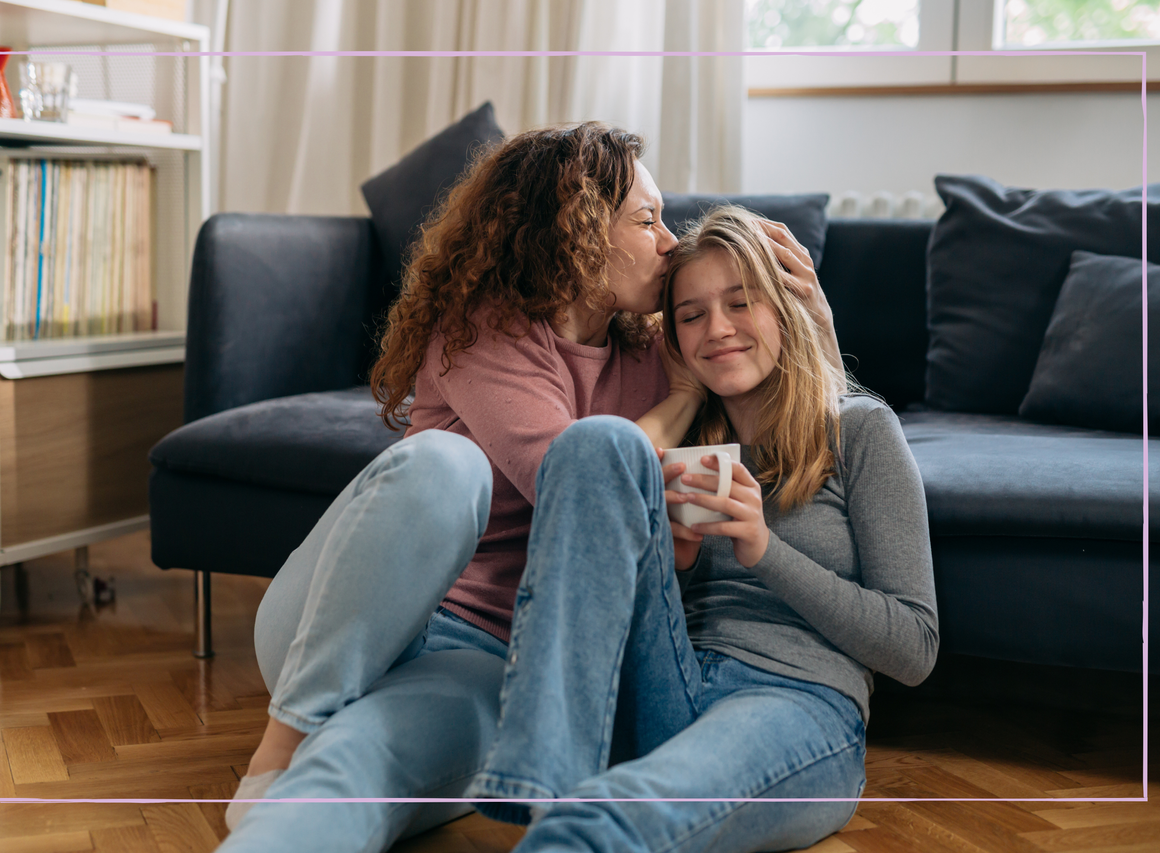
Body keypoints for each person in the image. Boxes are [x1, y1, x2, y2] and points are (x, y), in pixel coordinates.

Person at [217, 124, 841, 852]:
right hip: (349, 616)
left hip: (483, 658)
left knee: (360, 763)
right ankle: (284, 735)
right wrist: (675, 406)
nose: (669, 241)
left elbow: (787, 409)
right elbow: (576, 480)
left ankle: (297, 791)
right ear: (574, 231)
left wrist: (816, 320)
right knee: (446, 467)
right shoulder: (482, 331)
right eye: (646, 220)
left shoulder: (657, 348)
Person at [463, 205, 939, 853]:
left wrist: (764, 550)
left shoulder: (859, 430)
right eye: (691, 315)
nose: (718, 329)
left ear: (782, 308)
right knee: (594, 442)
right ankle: (542, 776)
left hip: (794, 701)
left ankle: (568, 814)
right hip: (671, 682)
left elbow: (914, 648)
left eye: (741, 303)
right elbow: (599, 513)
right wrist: (676, 559)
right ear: (676, 340)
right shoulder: (686, 444)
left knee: (603, 821)